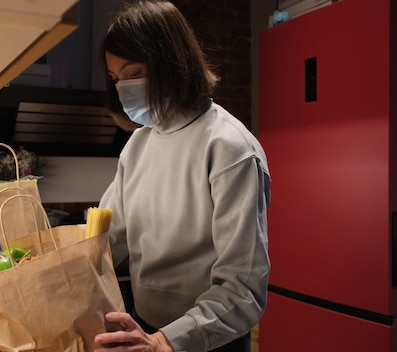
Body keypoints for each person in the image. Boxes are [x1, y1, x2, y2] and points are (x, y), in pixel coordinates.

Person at [93, 1, 271, 351]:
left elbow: (243, 289)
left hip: (207, 339)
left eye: (133, 73)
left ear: (169, 63)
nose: (122, 88)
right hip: (144, 326)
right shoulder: (138, 145)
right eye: (116, 79)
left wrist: (164, 342)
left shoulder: (229, 148)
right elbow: (106, 241)